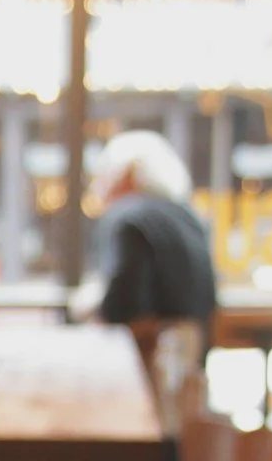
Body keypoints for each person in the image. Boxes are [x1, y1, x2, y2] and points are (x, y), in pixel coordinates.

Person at [88, 129, 217, 371]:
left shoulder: (128, 215)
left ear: (125, 174)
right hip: (190, 351)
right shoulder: (186, 215)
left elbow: (123, 298)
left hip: (146, 355)